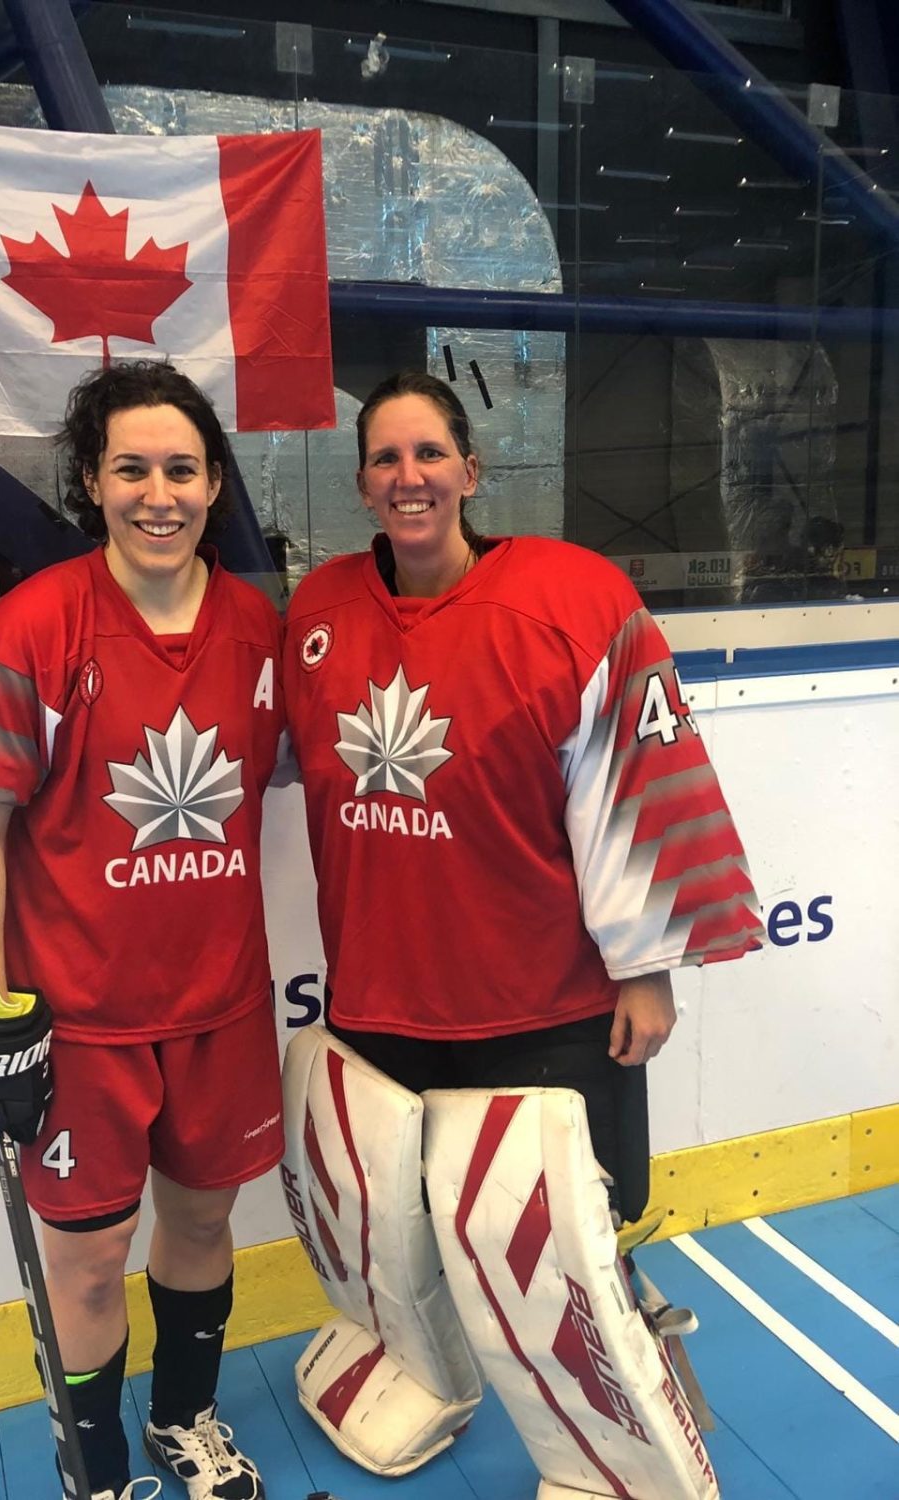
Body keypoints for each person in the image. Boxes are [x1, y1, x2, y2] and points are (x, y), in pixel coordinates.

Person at [283, 367, 766, 1237]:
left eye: (429, 453)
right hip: (379, 1009)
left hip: (547, 1013)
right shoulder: (319, 611)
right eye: (385, 459)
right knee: (417, 1252)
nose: (408, 477)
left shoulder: (571, 600)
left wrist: (645, 971)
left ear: (469, 472)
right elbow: (258, 746)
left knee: (567, 1262)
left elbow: (630, 787)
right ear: (361, 486)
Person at [0, 361, 284, 1500]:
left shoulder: (258, 628)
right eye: (132, 469)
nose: (158, 495)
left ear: (214, 481)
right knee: (86, 1267)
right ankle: (100, 1469)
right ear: (92, 481)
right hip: (82, 1025)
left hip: (222, 1009)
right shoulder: (30, 627)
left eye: (182, 469)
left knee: (204, 1225)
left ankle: (186, 1420)